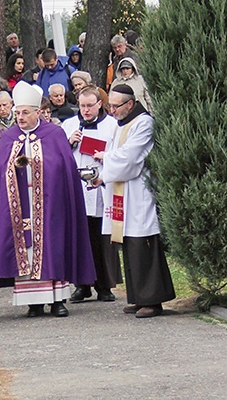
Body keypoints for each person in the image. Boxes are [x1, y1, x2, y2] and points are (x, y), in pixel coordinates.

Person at [0, 81, 96, 318]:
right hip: (21, 207)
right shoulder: (10, 137)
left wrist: (39, 165)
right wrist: (15, 167)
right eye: (17, 113)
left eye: (25, 113)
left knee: (52, 247)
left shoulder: (53, 134)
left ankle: (57, 301)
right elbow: (1, 169)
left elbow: (62, 167)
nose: (20, 117)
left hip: (50, 205)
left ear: (37, 113)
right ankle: (33, 302)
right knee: (27, 251)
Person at [92, 84, 175, 318]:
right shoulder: (122, 123)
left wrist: (105, 159)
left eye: (116, 106)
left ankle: (153, 299)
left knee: (143, 242)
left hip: (139, 191)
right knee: (129, 243)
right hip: (122, 191)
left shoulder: (143, 123)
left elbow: (130, 158)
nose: (111, 111)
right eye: (110, 105)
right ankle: (138, 297)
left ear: (130, 104)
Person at [62, 85, 121, 302]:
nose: (85, 110)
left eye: (90, 106)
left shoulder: (112, 125)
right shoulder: (69, 125)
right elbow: (58, 157)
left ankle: (105, 285)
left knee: (102, 239)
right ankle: (82, 285)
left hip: (102, 187)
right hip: (77, 188)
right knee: (81, 238)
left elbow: (118, 153)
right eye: (82, 106)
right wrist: (69, 144)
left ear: (99, 104)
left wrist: (104, 156)